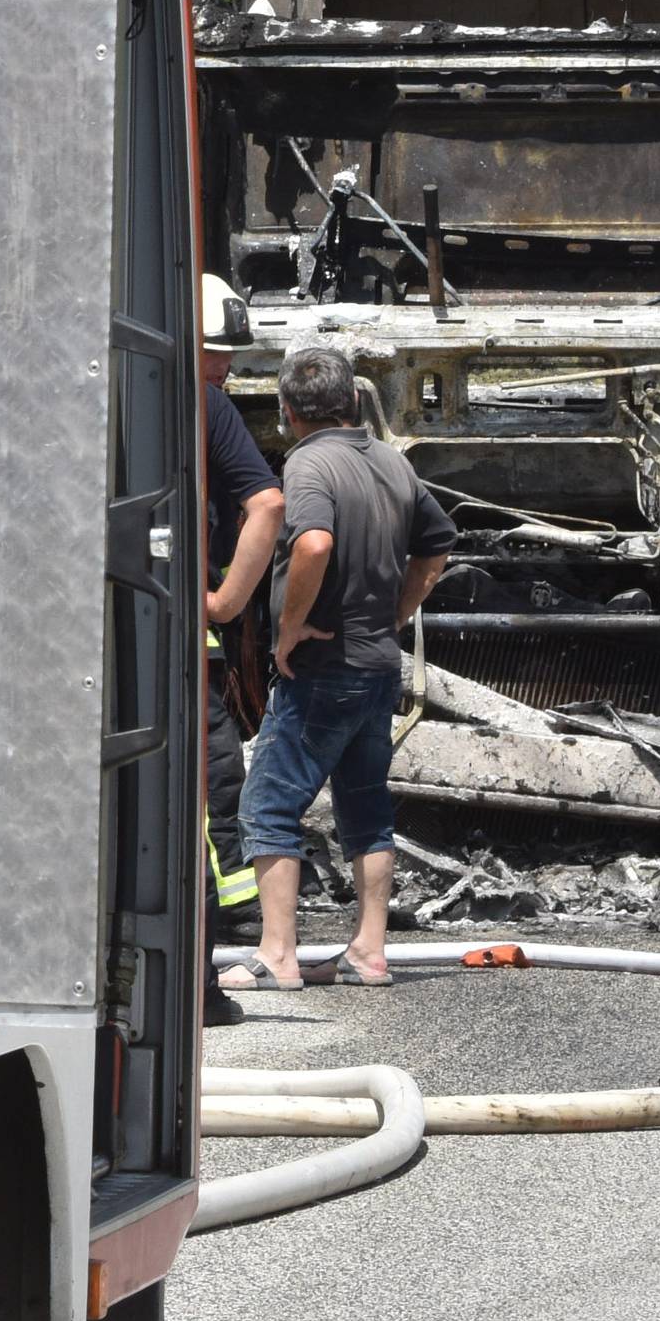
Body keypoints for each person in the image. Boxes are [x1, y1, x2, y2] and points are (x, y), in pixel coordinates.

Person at [227, 344, 455, 991]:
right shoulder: (391, 461)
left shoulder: (307, 465)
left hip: (322, 667)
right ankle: (368, 952)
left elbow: (315, 542)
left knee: (268, 805)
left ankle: (277, 954)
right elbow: (436, 548)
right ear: (354, 401)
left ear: (287, 413)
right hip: (378, 667)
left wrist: (292, 625)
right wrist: (396, 615)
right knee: (367, 810)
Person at [200, 274, 284, 1027]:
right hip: (187, 659)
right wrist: (225, 604)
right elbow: (269, 504)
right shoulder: (203, 404)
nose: (227, 368)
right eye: (216, 352)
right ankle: (200, 978)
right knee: (207, 795)